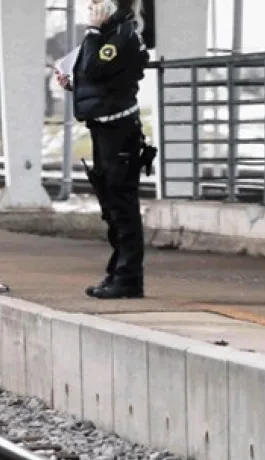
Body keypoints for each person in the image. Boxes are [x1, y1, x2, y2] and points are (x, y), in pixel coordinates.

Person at [55, 0, 156, 299]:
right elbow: (96, 75)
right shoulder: (111, 33)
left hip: (119, 131)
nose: (90, 5)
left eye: (97, 1)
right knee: (111, 205)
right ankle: (117, 273)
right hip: (104, 128)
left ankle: (129, 279)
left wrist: (91, 31)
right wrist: (73, 83)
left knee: (122, 206)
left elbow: (95, 67)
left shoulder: (121, 34)